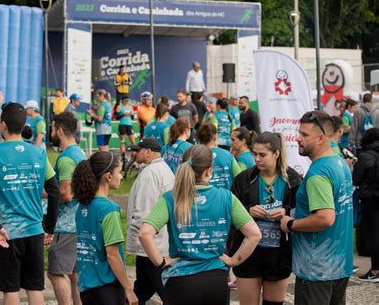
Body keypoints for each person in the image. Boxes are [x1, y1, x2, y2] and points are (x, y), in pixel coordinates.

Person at [139, 145, 261, 305]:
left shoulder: (171, 198)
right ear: (209, 171)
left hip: (181, 281)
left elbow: (144, 233)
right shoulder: (226, 197)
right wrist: (233, 261)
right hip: (216, 281)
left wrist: (160, 262)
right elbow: (254, 234)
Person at [0, 102, 60, 304]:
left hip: (6, 234)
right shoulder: (38, 153)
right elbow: (54, 190)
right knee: (34, 288)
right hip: (34, 231)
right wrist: (50, 226)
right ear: (23, 126)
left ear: (2, 125)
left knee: (10, 290)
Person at [280, 110, 353, 305]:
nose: (297, 138)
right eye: (299, 132)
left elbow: (325, 218)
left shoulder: (318, 173)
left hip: (316, 270)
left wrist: (290, 223)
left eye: (304, 135)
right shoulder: (339, 163)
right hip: (339, 266)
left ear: (321, 138)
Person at [231, 132, 302, 305]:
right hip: (248, 252)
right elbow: (230, 213)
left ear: (276, 154)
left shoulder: (292, 179)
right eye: (254, 154)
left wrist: (285, 212)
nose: (257, 159)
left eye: (262, 155)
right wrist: (248, 211)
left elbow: (302, 213)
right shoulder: (244, 179)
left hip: (278, 253)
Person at [72, 151, 138, 304]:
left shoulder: (82, 207)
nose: (121, 176)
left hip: (86, 288)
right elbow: (112, 255)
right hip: (107, 289)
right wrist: (129, 289)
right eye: (119, 172)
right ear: (108, 176)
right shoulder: (108, 209)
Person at [126, 137, 174, 304]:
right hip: (156, 242)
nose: (135, 153)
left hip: (150, 244)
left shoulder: (151, 172)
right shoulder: (161, 169)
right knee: (142, 289)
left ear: (148, 152)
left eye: (138, 150)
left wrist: (138, 236)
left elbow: (144, 211)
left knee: (162, 289)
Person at [48, 112, 86, 305]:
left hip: (66, 225)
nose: (51, 131)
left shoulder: (65, 159)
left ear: (60, 131)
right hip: (80, 221)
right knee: (74, 273)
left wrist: (43, 193)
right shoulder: (80, 153)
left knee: (55, 273)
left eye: (53, 128)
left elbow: (66, 193)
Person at [352, 128, 379, 283]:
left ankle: (375, 270)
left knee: (373, 234)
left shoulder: (364, 156)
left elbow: (356, 179)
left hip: (370, 199)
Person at [197, 123, 240, 190]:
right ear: (215, 136)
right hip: (227, 198)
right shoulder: (228, 155)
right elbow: (240, 177)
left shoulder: (196, 156)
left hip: (204, 198)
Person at [116, 97, 136, 167]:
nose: (127, 101)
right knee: (122, 142)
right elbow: (116, 117)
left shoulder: (130, 107)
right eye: (126, 100)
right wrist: (123, 114)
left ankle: (133, 159)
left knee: (133, 142)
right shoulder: (119, 107)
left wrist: (131, 114)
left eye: (128, 100)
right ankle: (123, 159)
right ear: (123, 101)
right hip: (122, 124)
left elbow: (133, 117)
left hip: (129, 125)